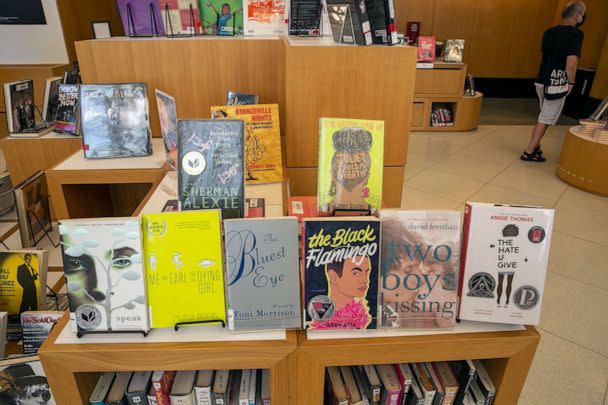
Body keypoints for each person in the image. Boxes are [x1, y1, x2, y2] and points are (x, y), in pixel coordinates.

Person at [522, 1, 586, 162]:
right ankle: (529, 151)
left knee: (543, 116)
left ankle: (535, 146)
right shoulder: (576, 34)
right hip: (556, 83)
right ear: (576, 14)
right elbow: (571, 62)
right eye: (582, 14)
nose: (583, 17)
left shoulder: (549, 32)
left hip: (541, 80)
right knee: (545, 119)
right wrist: (571, 82)